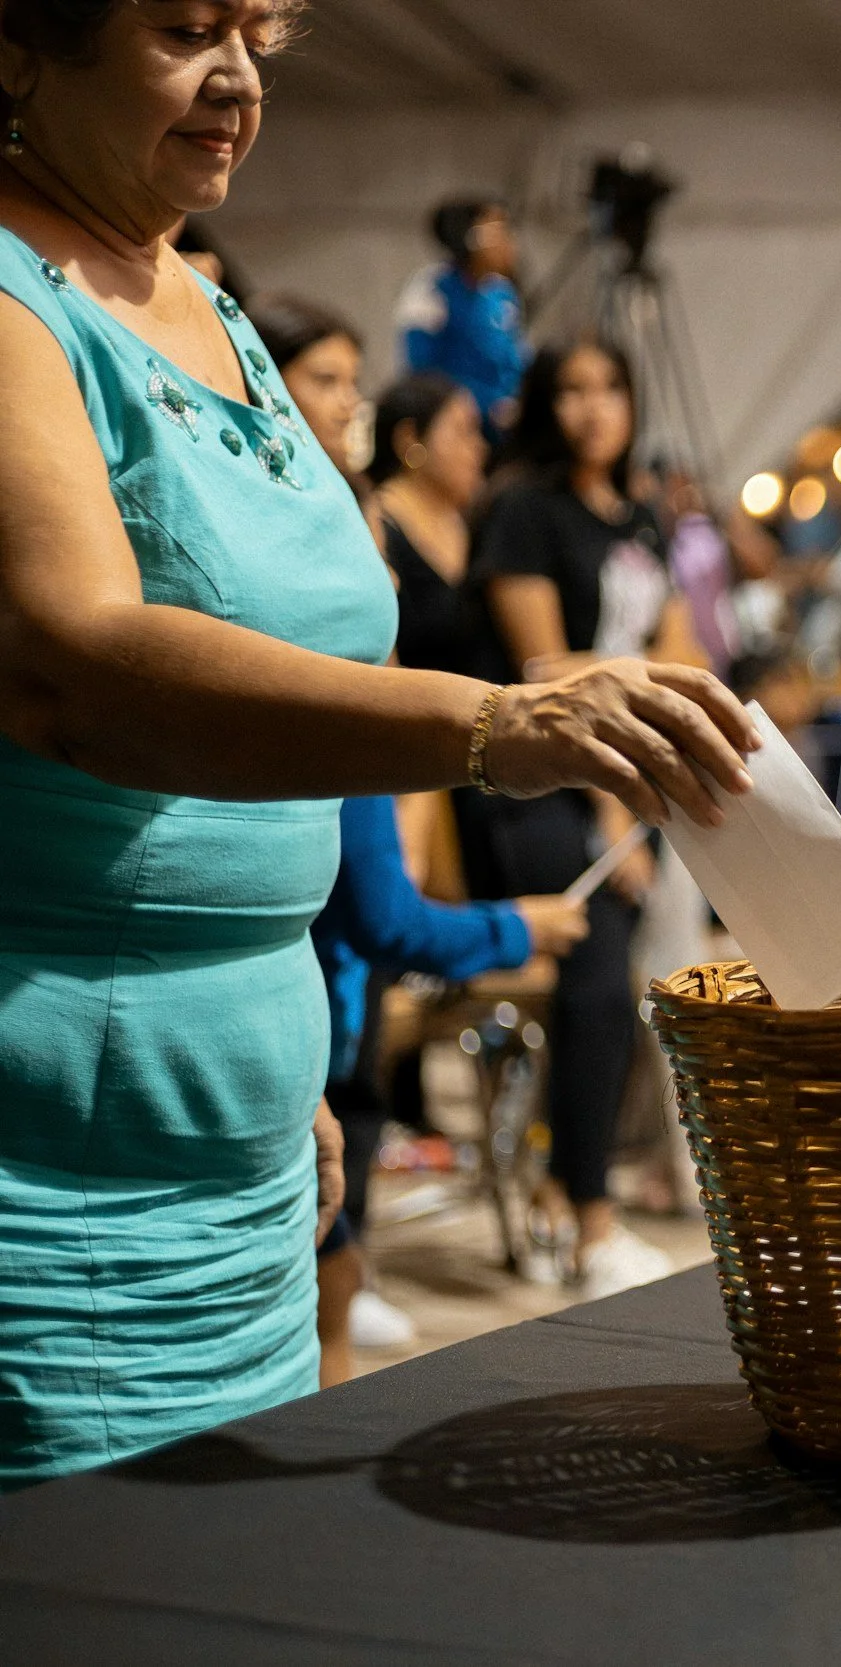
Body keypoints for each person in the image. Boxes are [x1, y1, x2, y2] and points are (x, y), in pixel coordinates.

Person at [0, 0, 756, 1489]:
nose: (235, 77)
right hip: (58, 1162)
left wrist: (292, 1081)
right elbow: (72, 667)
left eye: (253, 32)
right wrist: (490, 723)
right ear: (23, 42)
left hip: (248, 1147)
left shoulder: (201, 301)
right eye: (180, 27)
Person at [463, 337, 715, 1297]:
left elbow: (681, 659)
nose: (593, 406)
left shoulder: (641, 515)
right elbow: (548, 678)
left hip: (635, 782)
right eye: (571, 389)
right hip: (542, 785)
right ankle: (591, 1218)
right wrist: (612, 810)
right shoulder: (523, 509)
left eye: (610, 387)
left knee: (663, 985)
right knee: (600, 986)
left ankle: (585, 1191)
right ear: (543, 403)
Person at [309, 799, 587, 1384]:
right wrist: (519, 928)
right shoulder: (349, 760)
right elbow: (386, 919)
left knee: (330, 1266)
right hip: (301, 1047)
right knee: (329, 1277)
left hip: (282, 1041)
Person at [370, 371, 490, 675]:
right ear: (410, 438)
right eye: (464, 431)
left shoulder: (468, 521)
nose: (480, 447)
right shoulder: (375, 527)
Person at [397, 195, 526, 440]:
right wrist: (488, 405)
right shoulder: (430, 291)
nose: (510, 242)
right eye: (499, 230)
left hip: (505, 428)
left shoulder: (502, 293)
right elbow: (422, 374)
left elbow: (515, 362)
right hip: (453, 427)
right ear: (471, 237)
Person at [250, 291, 367, 491]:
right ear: (269, 381)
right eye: (325, 380)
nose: (350, 401)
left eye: (354, 384)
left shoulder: (347, 489)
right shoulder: (248, 482)